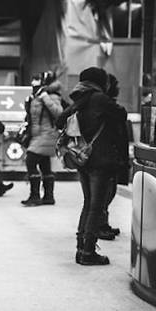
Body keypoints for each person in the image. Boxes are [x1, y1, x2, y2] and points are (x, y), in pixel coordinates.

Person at [56, 67, 127, 266]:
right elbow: (121, 114)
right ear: (100, 81)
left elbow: (59, 120)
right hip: (100, 160)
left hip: (83, 158)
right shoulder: (99, 99)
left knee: (89, 203)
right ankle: (88, 251)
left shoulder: (80, 99)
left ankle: (81, 248)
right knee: (97, 206)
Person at [20, 71, 64, 206]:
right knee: (44, 163)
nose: (33, 82)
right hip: (38, 135)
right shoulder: (36, 95)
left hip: (47, 134)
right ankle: (48, 197)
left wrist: (45, 98)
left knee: (31, 160)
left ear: (44, 82)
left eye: (36, 79)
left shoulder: (51, 96)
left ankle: (35, 196)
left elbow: (59, 113)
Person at [98, 74, 129, 240]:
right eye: (115, 85)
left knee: (109, 191)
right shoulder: (106, 107)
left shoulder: (107, 105)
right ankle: (99, 226)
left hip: (111, 155)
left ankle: (103, 223)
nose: (118, 88)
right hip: (106, 155)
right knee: (104, 193)